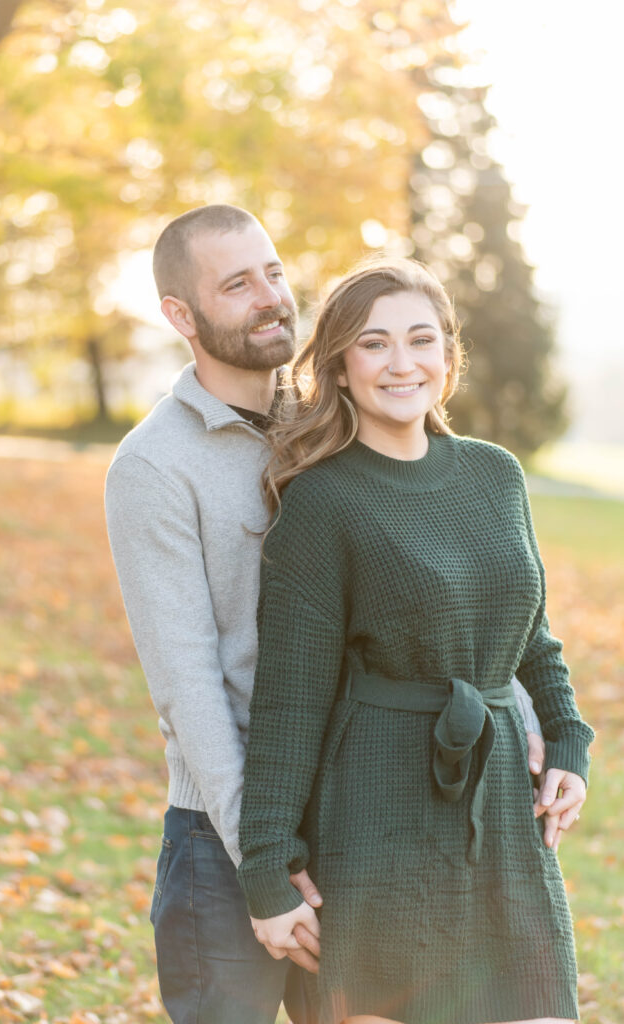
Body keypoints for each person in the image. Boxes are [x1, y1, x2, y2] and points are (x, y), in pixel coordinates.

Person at [105, 206, 548, 1024]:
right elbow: (189, 687)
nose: (270, 296)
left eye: (273, 271)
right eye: (236, 285)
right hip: (225, 828)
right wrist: (262, 862)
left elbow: (453, 586)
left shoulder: (332, 423)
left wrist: (520, 712)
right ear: (180, 315)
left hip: (356, 812)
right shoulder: (155, 467)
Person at [236, 259, 595, 1024]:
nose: (402, 363)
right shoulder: (323, 500)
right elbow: (290, 702)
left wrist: (567, 740)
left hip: (499, 810)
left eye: (420, 339)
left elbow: (531, 632)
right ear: (338, 364)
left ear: (448, 356)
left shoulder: (495, 476)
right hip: (374, 811)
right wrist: (267, 867)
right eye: (374, 343)